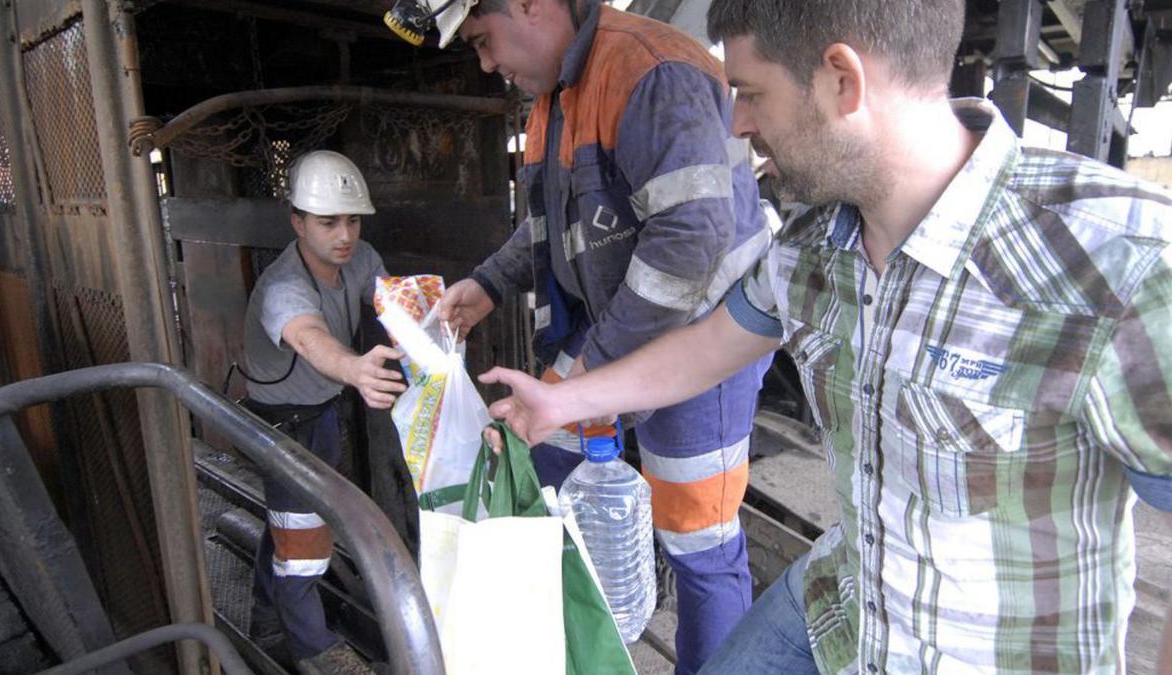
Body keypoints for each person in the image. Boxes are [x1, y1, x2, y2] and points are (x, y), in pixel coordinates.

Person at [479, 0, 1172, 672]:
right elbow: (707, 346)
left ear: (843, 80)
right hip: (840, 601)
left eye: (749, 93)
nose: (738, 122)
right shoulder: (810, 247)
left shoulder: (1117, 260)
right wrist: (564, 401)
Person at [400, 0, 777, 669]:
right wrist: (489, 283)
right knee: (541, 466)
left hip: (707, 336)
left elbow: (691, 241)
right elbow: (559, 226)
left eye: (484, 39)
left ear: (527, 5)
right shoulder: (559, 94)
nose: (486, 64)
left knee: (698, 541)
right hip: (619, 327)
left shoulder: (648, 70)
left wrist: (586, 379)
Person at [240, 149, 404, 675]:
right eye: (328, 221)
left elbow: (394, 304)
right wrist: (356, 370)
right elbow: (310, 339)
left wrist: (435, 330)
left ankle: (265, 615)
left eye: (352, 219)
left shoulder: (359, 259)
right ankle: (312, 648)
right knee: (304, 539)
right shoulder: (282, 288)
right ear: (298, 222)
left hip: (324, 408)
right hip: (282, 421)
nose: (344, 234)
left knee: (292, 522)